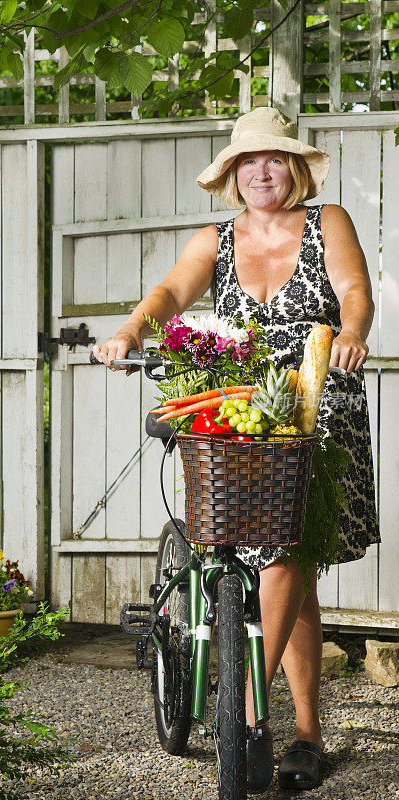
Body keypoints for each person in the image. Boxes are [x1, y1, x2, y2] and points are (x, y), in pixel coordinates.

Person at [92, 106, 380, 792]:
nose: (262, 171)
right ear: (232, 174)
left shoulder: (327, 222)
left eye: (275, 159)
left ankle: (251, 712)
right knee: (292, 570)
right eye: (249, 161)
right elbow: (169, 293)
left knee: (287, 554)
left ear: (295, 168)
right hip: (240, 408)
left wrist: (351, 332)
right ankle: (302, 731)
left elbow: (354, 292)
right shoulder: (214, 240)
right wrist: (130, 332)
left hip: (316, 403)